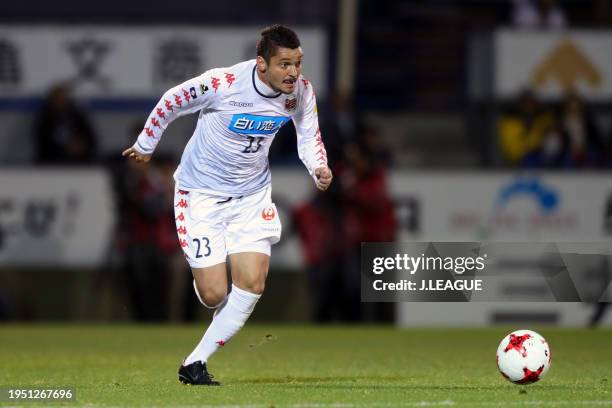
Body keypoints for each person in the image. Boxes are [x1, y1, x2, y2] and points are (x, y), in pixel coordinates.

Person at [122, 25, 332, 385]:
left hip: (251, 196)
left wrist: (318, 166)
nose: (293, 73)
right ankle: (206, 272)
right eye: (284, 64)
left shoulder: (300, 92)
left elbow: (308, 133)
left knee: (252, 282)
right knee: (214, 293)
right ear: (261, 64)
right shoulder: (222, 84)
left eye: (297, 63)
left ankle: (194, 363)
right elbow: (172, 100)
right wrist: (146, 143)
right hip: (200, 195)